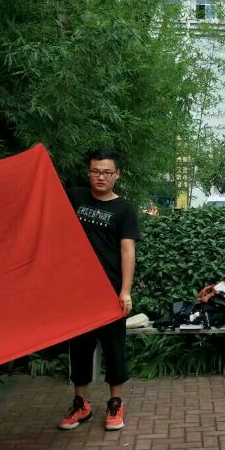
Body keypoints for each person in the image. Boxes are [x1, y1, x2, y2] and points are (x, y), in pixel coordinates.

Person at [58, 149, 139, 432]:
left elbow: (127, 251)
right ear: (88, 172)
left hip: (110, 292)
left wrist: (125, 291)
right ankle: (81, 405)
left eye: (106, 172)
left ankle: (115, 404)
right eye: (95, 171)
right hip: (79, 292)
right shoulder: (75, 197)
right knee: (80, 349)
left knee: (114, 349)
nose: (100, 177)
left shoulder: (124, 209)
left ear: (117, 174)